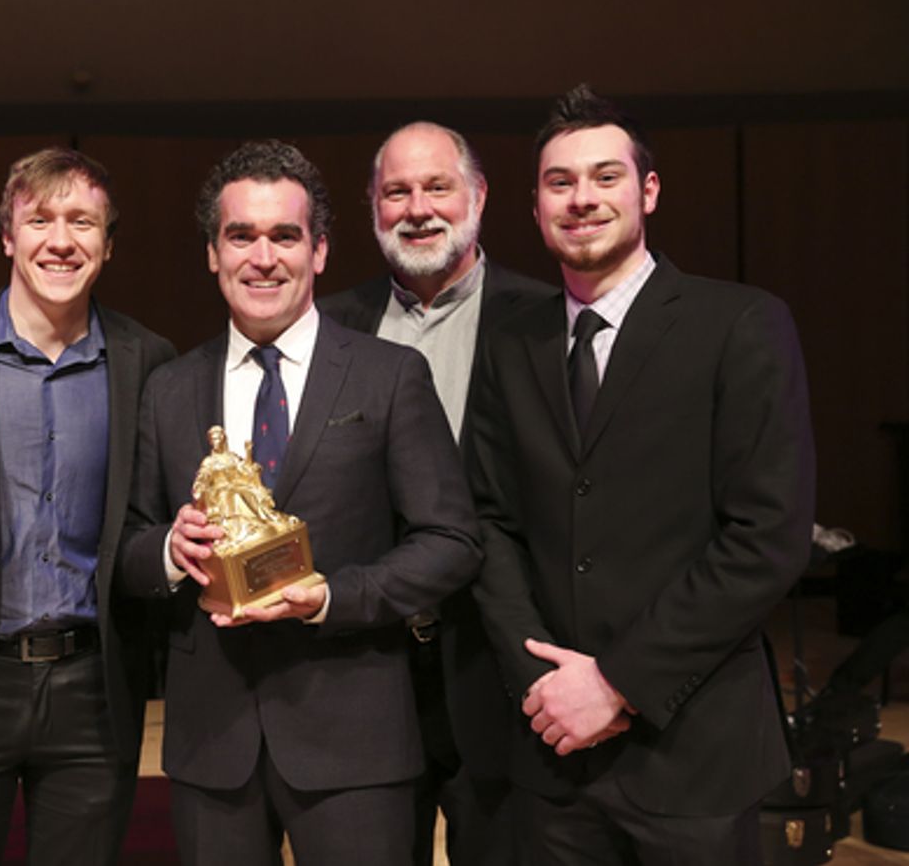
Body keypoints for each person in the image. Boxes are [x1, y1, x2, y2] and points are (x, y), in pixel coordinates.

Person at [468, 85, 815, 864]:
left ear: (648, 190)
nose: (582, 198)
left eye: (605, 176)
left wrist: (618, 681)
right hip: (552, 750)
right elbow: (489, 521)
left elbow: (768, 537)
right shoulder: (510, 342)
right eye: (560, 182)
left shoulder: (740, 324)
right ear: (533, 206)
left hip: (692, 752)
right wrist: (544, 687)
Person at [119, 139, 482, 866]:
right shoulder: (168, 389)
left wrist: (330, 598)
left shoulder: (389, 376)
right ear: (212, 254)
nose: (263, 256)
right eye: (240, 236)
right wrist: (168, 550)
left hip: (355, 741)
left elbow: (451, 541)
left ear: (318, 251)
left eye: (285, 235)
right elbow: (127, 544)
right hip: (212, 742)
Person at [0, 148, 175, 866]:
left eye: (82, 221)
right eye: (40, 218)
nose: (60, 239)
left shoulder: (149, 360)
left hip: (91, 690)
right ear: (7, 235)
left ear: (108, 244)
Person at [320, 121, 553, 866]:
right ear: (372, 207)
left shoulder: (547, 320)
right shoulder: (326, 325)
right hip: (367, 668)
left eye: (437, 186)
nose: (418, 207)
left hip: (502, 668)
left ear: (478, 196)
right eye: (397, 191)